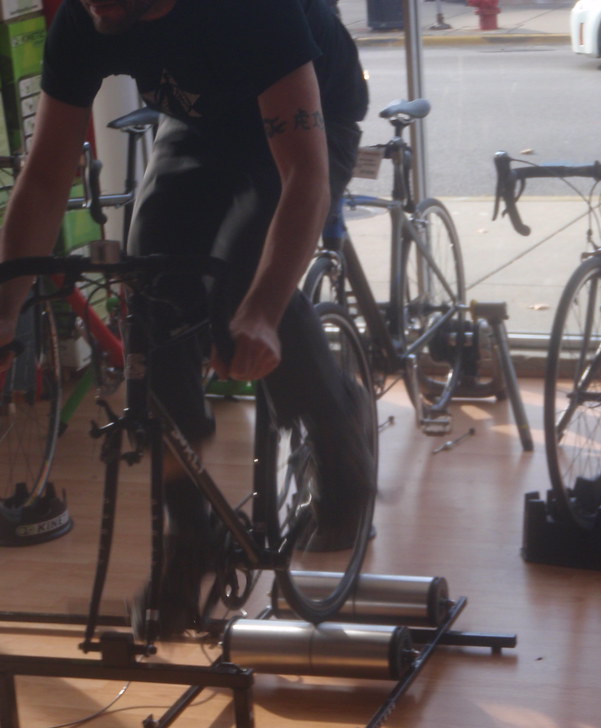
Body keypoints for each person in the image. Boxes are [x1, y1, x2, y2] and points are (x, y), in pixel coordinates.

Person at [0, 0, 374, 636]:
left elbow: (305, 176)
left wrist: (260, 310)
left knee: (243, 288)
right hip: (198, 126)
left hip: (309, 122)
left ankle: (339, 424)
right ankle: (190, 535)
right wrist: (4, 316)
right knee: (153, 285)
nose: (95, 7)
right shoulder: (88, 16)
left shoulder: (253, 12)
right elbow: (43, 178)